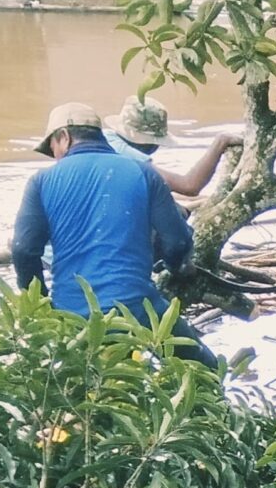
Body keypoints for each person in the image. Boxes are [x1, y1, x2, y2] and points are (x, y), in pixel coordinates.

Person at [10, 101, 206, 357]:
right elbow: (178, 242)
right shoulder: (144, 173)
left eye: (53, 147)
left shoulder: (41, 181)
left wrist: (41, 308)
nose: (55, 155)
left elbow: (23, 250)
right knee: (206, 371)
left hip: (71, 318)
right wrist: (175, 267)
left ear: (64, 137)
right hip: (136, 310)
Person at [109, 98, 240, 201]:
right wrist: (221, 142)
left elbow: (160, 188)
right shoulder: (129, 156)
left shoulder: (107, 139)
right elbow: (189, 186)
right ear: (146, 143)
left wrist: (199, 201)